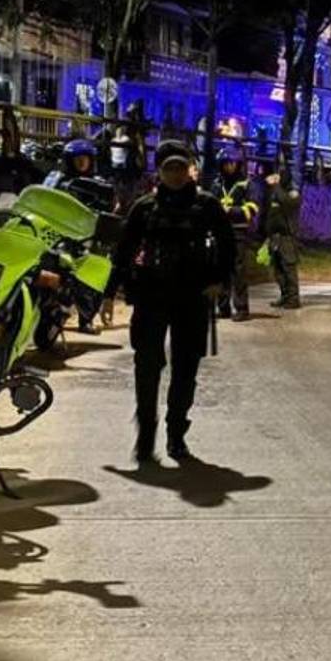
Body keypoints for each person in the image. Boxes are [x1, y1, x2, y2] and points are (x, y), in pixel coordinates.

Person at [105, 140, 235, 462]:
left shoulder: (206, 206)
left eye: (180, 168)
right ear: (159, 172)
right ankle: (146, 434)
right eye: (169, 168)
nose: (175, 174)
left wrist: (219, 282)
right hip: (151, 295)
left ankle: (176, 434)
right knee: (146, 366)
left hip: (192, 296)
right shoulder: (144, 208)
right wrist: (108, 294)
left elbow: (228, 246)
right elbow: (123, 252)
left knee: (185, 369)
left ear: (189, 169)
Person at [213, 150, 257, 321]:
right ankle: (223, 307)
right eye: (225, 163)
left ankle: (242, 308)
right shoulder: (217, 184)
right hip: (220, 232)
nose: (229, 166)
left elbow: (252, 208)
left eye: (231, 163)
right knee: (221, 270)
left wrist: (231, 211)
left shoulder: (246, 184)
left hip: (238, 232)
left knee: (238, 271)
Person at [263, 164, 303, 309]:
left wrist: (276, 185)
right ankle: (285, 296)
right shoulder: (275, 192)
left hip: (287, 237)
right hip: (275, 237)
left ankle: (293, 298)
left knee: (288, 269)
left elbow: (285, 202)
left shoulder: (293, 193)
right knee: (278, 269)